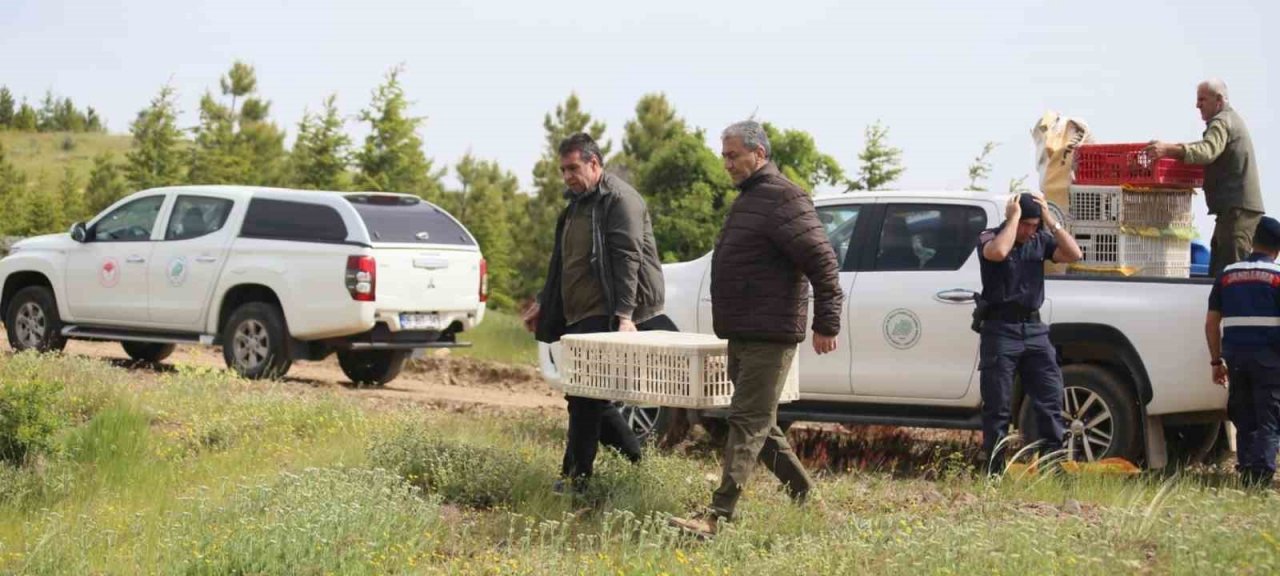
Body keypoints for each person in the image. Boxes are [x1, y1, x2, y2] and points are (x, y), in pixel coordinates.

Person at [669, 120, 843, 538]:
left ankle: (717, 517)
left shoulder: (784, 197)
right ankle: (809, 501)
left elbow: (822, 261)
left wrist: (827, 322)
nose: (726, 163)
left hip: (770, 333)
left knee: (746, 422)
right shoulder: (751, 198)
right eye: (724, 155)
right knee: (759, 425)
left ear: (759, 154)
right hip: (744, 331)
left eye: (733, 155)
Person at [523, 132, 672, 493]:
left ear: (594, 163)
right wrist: (543, 302)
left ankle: (576, 478)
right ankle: (637, 462)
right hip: (577, 311)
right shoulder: (576, 204)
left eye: (573, 168)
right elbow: (562, 262)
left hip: (605, 310)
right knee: (586, 396)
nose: (567, 176)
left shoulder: (620, 200)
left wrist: (625, 316)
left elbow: (628, 260)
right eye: (563, 170)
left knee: (585, 399)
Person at [975, 193, 1083, 472]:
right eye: (1026, 224)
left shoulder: (1040, 239)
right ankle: (994, 471)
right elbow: (997, 253)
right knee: (998, 406)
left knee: (1049, 399)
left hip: (1034, 330)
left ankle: (1054, 467)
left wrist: (1049, 219)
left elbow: (1074, 254)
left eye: (1034, 225)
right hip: (1000, 330)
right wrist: (1012, 219)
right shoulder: (990, 236)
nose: (1030, 231)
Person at [1147, 79, 1264, 277]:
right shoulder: (1230, 120)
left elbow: (1207, 150)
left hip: (1237, 214)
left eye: (1202, 99)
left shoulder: (1221, 121)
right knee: (1219, 274)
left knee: (1232, 276)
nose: (1197, 105)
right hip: (1233, 212)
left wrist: (1168, 150)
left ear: (1218, 100)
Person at [1205, 216, 1280, 489]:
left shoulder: (1227, 275)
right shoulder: (1277, 277)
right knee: (1269, 420)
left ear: (1252, 241)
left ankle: (1247, 472)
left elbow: (1212, 322)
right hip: (1270, 361)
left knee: (1244, 417)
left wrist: (1216, 361)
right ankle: (1260, 479)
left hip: (1235, 359)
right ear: (1277, 249)